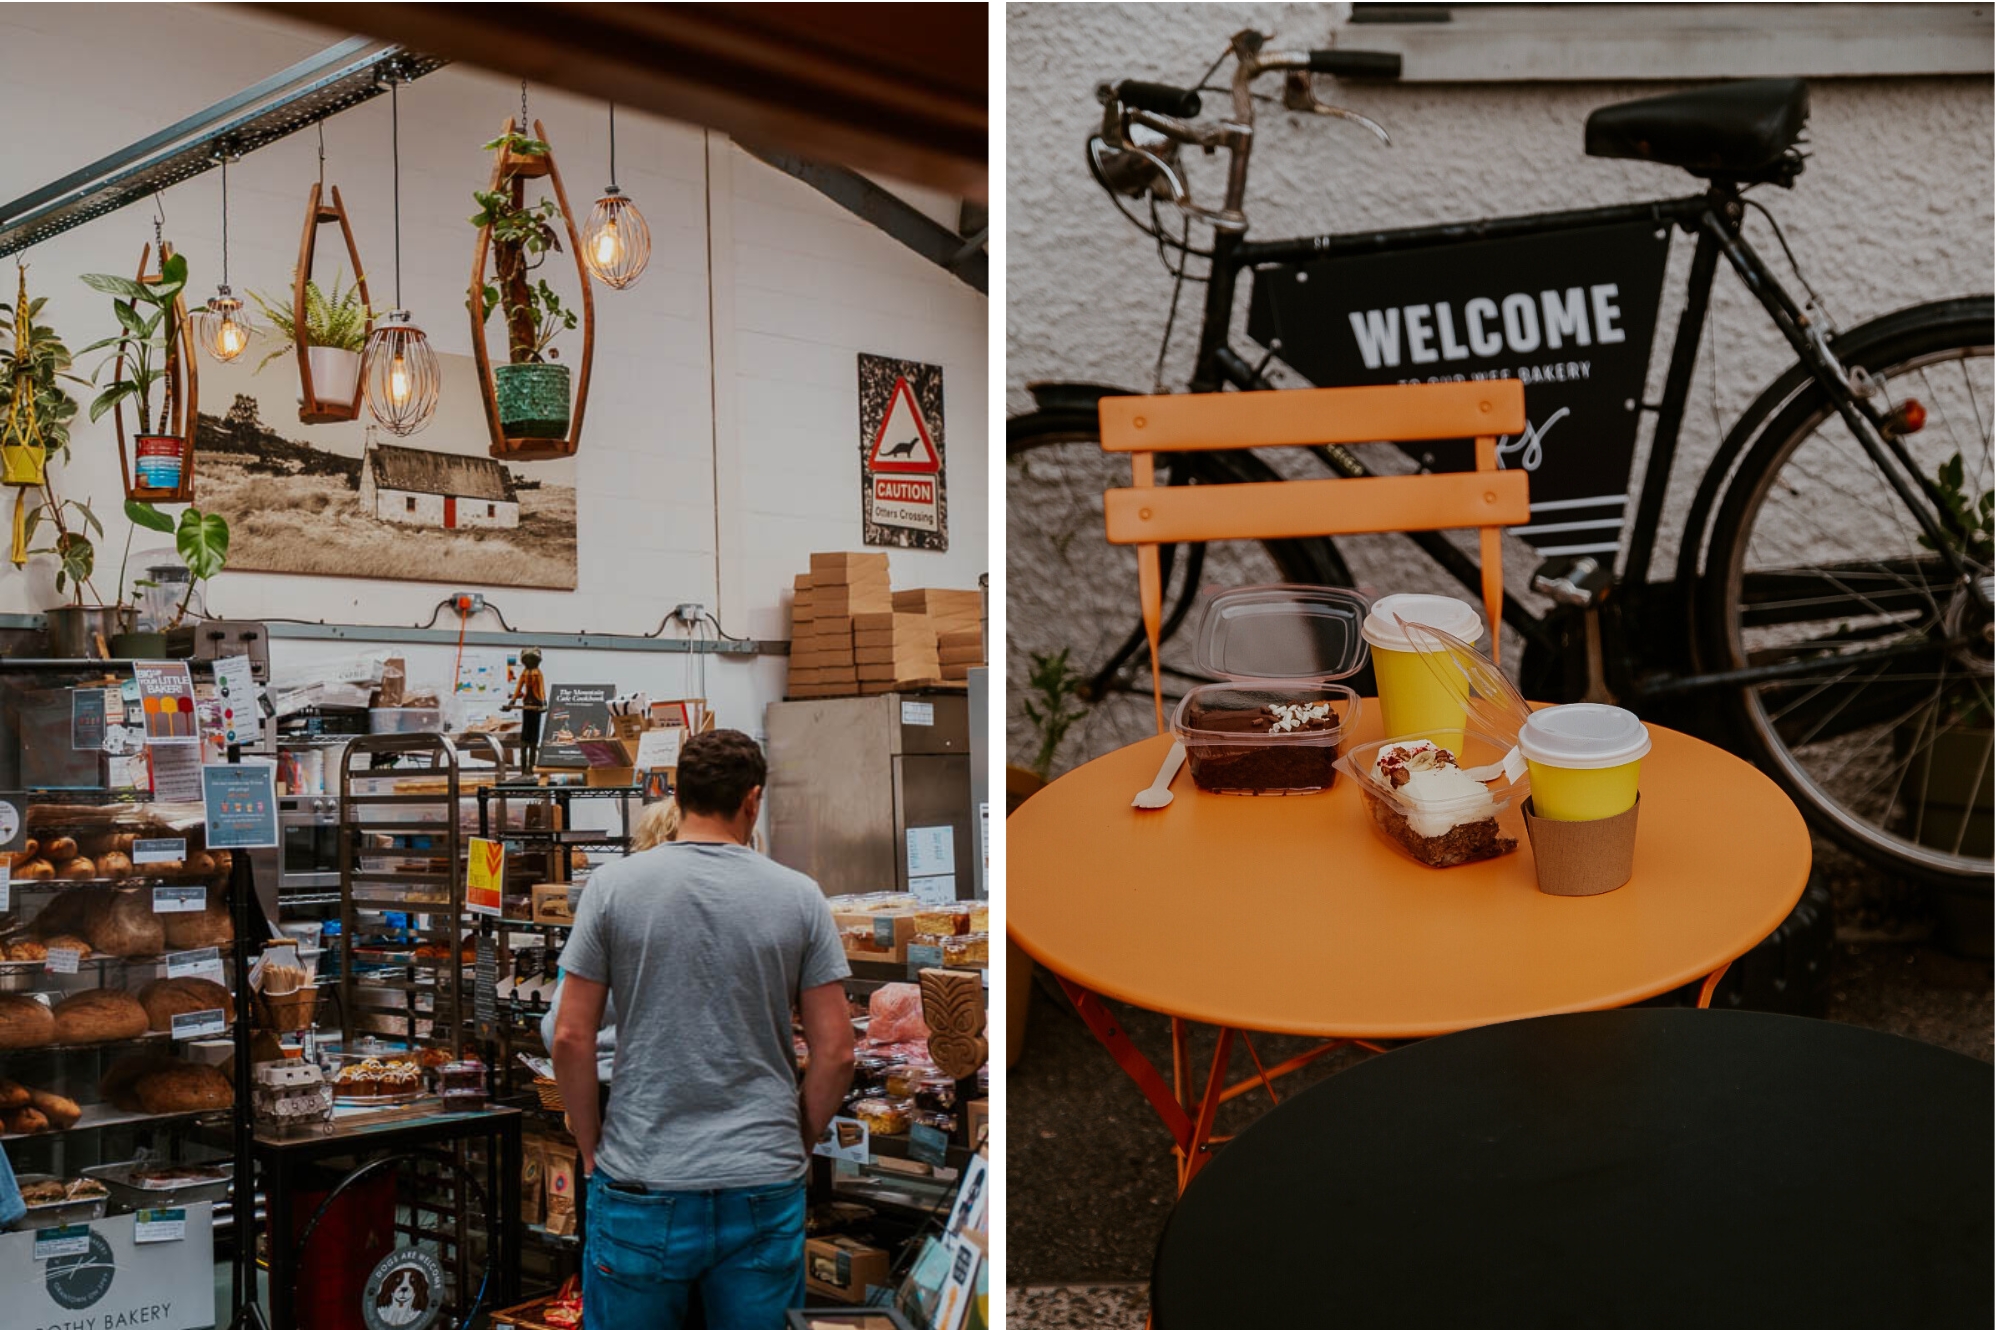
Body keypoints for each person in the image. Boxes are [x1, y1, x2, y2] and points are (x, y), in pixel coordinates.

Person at [553, 731, 855, 1329]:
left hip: (642, 1176)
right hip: (763, 1182)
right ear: (753, 799)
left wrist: (591, 1144)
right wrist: (795, 1140)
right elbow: (838, 1051)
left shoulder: (613, 888)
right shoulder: (799, 897)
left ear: (678, 796)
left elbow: (569, 1036)